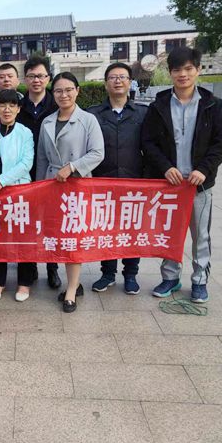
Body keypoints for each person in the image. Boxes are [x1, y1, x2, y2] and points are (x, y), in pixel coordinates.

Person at [142, 46, 222, 303]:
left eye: (188, 69)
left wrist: (204, 169)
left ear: (198, 70)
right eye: (177, 69)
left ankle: (200, 280)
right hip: (169, 184)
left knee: (200, 235)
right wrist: (165, 167)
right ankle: (170, 277)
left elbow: (221, 142)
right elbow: (148, 142)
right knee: (169, 233)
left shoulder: (213, 105)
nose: (183, 74)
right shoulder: (159, 106)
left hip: (198, 185)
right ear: (170, 73)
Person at [36, 72, 105, 313]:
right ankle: (74, 283)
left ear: (77, 91)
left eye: (68, 90)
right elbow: (42, 158)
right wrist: (39, 189)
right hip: (52, 185)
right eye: (58, 90)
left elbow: (98, 153)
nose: (63, 94)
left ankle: (72, 290)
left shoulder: (88, 120)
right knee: (59, 237)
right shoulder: (47, 121)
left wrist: (73, 167)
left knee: (73, 238)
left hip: (77, 186)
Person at [87, 62, 147, 295]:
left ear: (130, 82)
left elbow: (151, 147)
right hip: (103, 181)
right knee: (106, 229)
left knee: (132, 230)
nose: (118, 81)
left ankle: (131, 275)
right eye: (113, 77)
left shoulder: (142, 113)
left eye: (122, 77)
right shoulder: (93, 114)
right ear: (106, 84)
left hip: (134, 181)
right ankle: (107, 274)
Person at [17, 55, 61, 290]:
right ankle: (30, 267)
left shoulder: (57, 105)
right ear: (25, 79)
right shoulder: (17, 106)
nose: (36, 80)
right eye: (32, 76)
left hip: (51, 174)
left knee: (51, 223)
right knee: (26, 223)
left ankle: (52, 268)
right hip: (22, 175)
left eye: (41, 76)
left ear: (48, 78)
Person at [0, 90, 35, 302]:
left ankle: (24, 283)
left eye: (12, 105)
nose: (7, 109)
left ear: (18, 108)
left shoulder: (25, 133)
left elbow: (26, 163)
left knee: (23, 239)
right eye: (2, 105)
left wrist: (2, 180)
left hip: (19, 192)